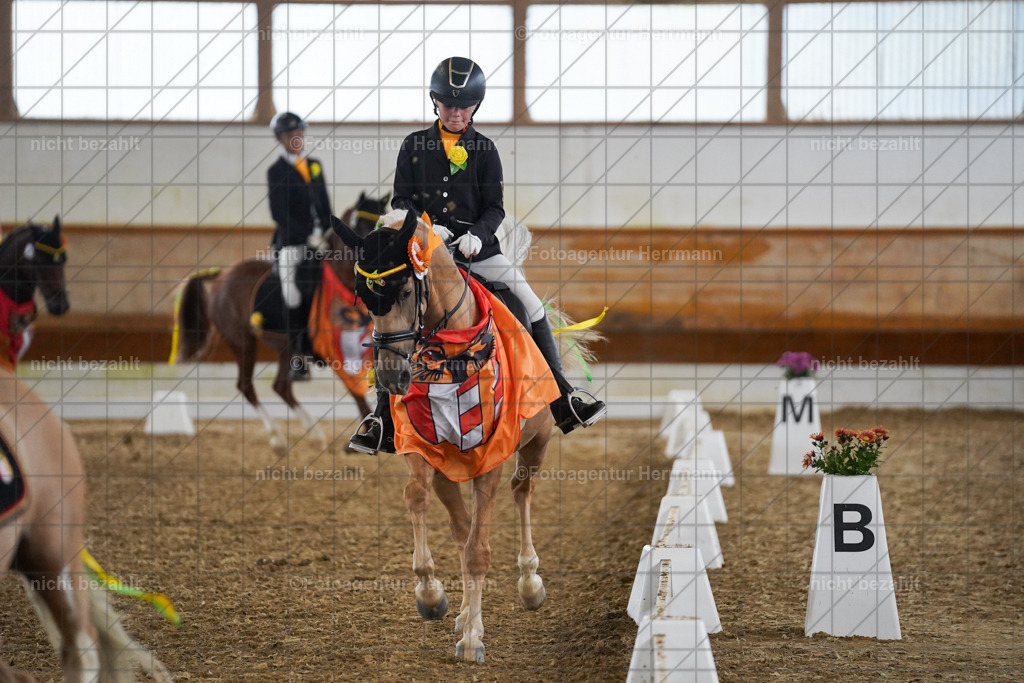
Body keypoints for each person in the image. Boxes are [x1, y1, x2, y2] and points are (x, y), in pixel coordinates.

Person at [349, 57, 606, 454]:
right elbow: (401, 199)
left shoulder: (485, 150)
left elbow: (494, 208)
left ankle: (563, 396)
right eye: (449, 105)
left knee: (532, 305)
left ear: (475, 107)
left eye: (464, 106)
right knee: (391, 310)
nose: (456, 113)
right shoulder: (413, 145)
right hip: (425, 255)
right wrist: (429, 228)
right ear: (435, 102)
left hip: (478, 252)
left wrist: (476, 235)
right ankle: (381, 417)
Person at [267, 111, 332, 380]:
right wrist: (307, 236)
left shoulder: (314, 165)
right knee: (292, 293)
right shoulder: (276, 171)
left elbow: (325, 204)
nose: (297, 139)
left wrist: (330, 231)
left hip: (322, 241)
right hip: (293, 244)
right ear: (281, 139)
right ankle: (296, 355)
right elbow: (279, 214)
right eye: (291, 135)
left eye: (300, 133)